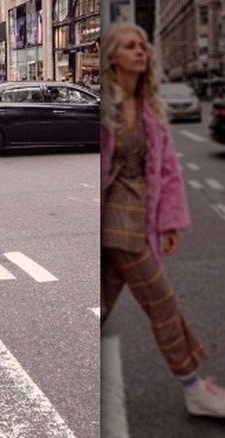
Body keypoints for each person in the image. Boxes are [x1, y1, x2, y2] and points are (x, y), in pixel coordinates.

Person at [100, 22, 225, 418]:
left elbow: (167, 167)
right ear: (112, 57)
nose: (141, 52)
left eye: (143, 47)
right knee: (162, 302)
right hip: (117, 222)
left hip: (139, 217)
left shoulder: (150, 107)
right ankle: (193, 387)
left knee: (101, 304)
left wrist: (168, 221)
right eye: (130, 46)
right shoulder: (105, 104)